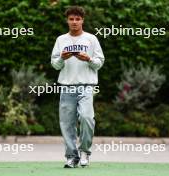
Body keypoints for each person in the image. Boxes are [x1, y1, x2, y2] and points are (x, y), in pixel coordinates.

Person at [51, 6, 105, 168]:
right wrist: (62, 58)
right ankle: (71, 157)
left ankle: (85, 152)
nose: (74, 22)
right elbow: (55, 65)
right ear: (67, 21)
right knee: (67, 123)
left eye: (77, 19)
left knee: (87, 118)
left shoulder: (91, 39)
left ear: (83, 20)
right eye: (71, 19)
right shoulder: (61, 40)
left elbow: (99, 62)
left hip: (86, 86)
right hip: (67, 87)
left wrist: (88, 59)